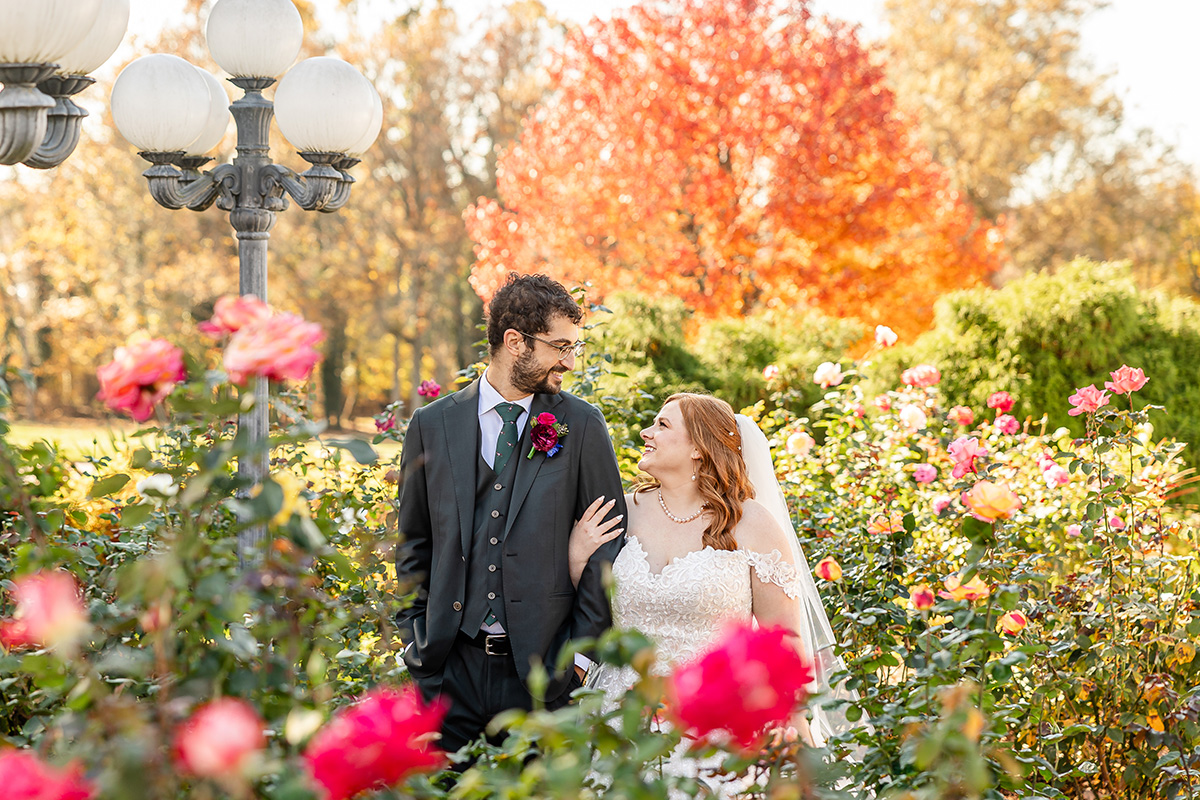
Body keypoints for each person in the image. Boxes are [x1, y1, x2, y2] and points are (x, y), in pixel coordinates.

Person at [570, 393, 857, 793]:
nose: (646, 432)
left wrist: (795, 728)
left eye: (663, 425)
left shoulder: (751, 523)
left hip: (716, 720)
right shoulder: (624, 510)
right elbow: (592, 608)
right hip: (623, 715)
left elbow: (784, 640)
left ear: (699, 449)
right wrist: (576, 557)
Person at [394, 273, 627, 753]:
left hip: (542, 677)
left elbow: (610, 544)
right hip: (447, 671)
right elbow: (414, 543)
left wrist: (578, 659)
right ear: (514, 341)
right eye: (559, 346)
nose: (569, 361)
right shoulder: (430, 425)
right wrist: (416, 643)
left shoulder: (580, 425)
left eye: (574, 348)